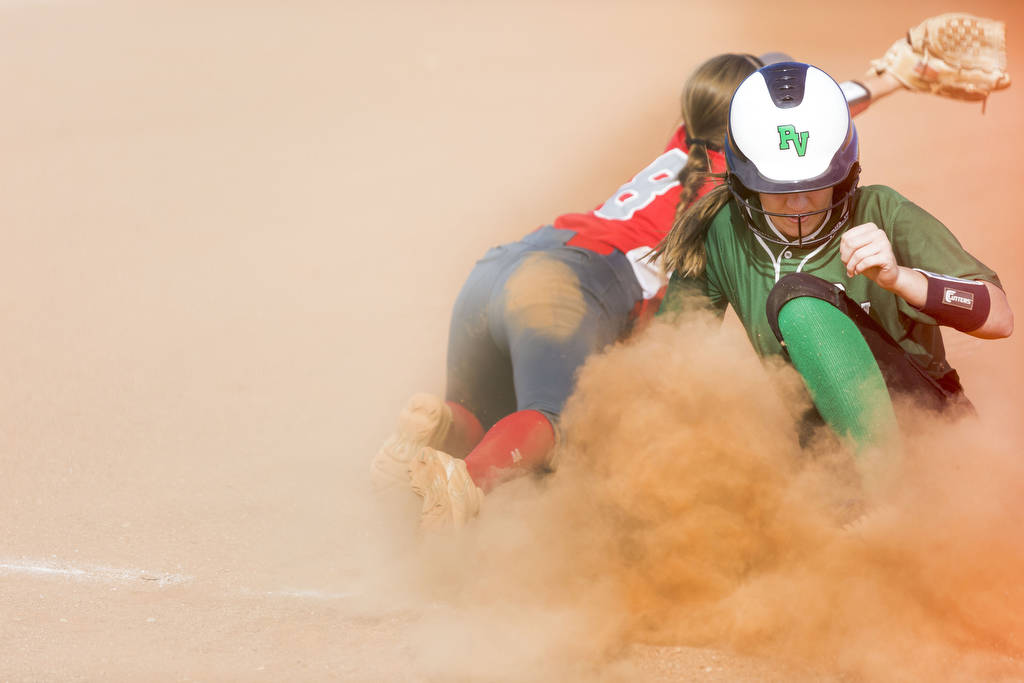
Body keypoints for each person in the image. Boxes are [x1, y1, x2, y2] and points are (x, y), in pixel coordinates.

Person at [368, 47, 918, 530]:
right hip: (566, 287)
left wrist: (882, 82)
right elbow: (813, 129)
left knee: (478, 412)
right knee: (553, 423)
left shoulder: (681, 146)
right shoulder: (744, 174)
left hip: (501, 265)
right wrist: (893, 78)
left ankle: (431, 429)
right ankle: (464, 485)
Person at [654, 60, 1013, 453]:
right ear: (745, 179)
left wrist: (900, 280)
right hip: (825, 462)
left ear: (842, 172)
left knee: (797, 300)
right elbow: (671, 361)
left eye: (816, 184)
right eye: (776, 187)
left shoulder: (883, 211)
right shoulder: (722, 232)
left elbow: (999, 318)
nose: (798, 203)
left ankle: (886, 491)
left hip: (931, 434)